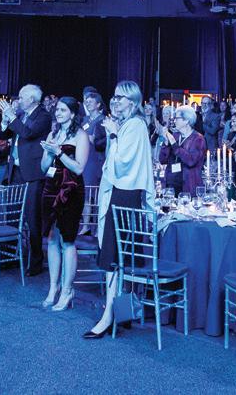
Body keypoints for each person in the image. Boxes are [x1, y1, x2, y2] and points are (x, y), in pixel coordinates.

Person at [84, 80, 155, 339]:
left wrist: (113, 135)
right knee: (117, 255)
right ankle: (118, 312)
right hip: (119, 191)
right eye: (114, 97)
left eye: (120, 98)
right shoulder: (125, 124)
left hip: (125, 194)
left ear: (133, 102)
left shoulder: (135, 125)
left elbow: (124, 163)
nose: (115, 101)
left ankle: (110, 316)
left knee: (116, 254)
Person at [40, 97, 89, 312]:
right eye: (57, 110)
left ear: (72, 113)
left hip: (70, 190)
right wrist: (48, 152)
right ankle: (54, 287)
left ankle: (67, 290)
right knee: (51, 239)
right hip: (50, 188)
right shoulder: (52, 134)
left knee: (67, 240)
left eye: (62, 110)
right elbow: (43, 167)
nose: (58, 113)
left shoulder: (81, 136)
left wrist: (59, 152)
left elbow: (79, 168)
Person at [0, 84, 51, 276]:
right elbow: (4, 135)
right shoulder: (21, 115)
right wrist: (5, 121)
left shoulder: (43, 116)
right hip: (15, 171)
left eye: (21, 97)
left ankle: (36, 261)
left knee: (32, 218)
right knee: (12, 215)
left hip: (32, 173)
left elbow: (28, 133)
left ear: (31, 99)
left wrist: (12, 117)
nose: (18, 100)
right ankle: (10, 257)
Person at [157, 104, 206, 196]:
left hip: (188, 186)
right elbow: (162, 160)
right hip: (171, 184)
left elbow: (191, 161)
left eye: (177, 118)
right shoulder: (175, 135)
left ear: (186, 120)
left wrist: (174, 145)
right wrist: (166, 144)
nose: (174, 121)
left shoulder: (198, 139)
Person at [81, 91, 107, 188]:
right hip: (83, 159)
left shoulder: (103, 120)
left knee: (92, 187)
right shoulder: (84, 120)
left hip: (96, 159)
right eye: (86, 102)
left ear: (98, 104)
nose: (88, 104)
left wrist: (90, 139)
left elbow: (104, 142)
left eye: (91, 102)